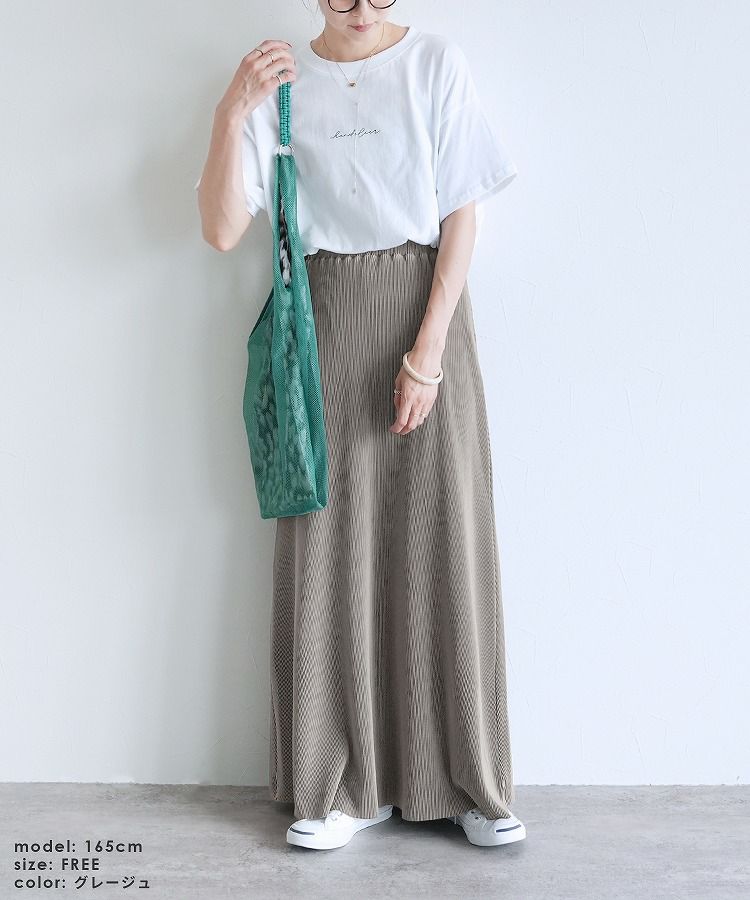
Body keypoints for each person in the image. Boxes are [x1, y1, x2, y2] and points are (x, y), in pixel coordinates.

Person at [195, 0, 525, 851]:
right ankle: (339, 784)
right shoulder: (280, 83)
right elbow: (221, 229)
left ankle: (465, 780)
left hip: (428, 314)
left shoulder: (434, 64)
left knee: (442, 536)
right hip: (326, 318)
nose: (362, 8)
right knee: (327, 542)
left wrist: (428, 350)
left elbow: (462, 213)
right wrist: (233, 109)